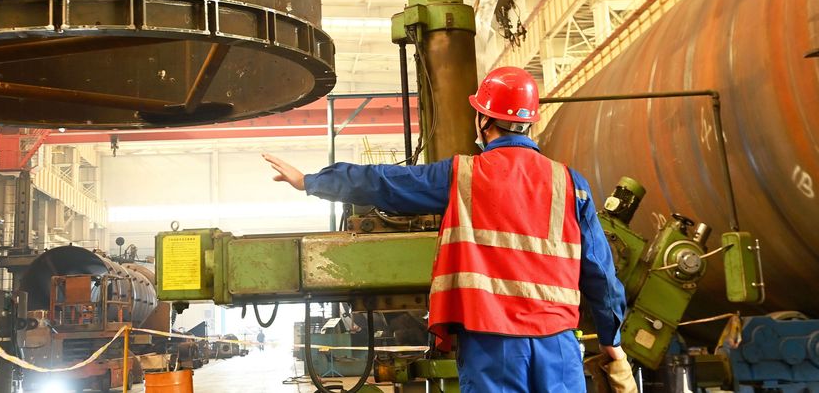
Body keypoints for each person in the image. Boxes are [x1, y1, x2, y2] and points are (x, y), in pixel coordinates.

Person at [264, 67, 635, 393]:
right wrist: (610, 340)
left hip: (493, 345)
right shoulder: (570, 184)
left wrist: (311, 181)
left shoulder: (462, 177)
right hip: (558, 345)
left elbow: (384, 183)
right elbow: (600, 272)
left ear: (482, 120)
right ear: (530, 122)